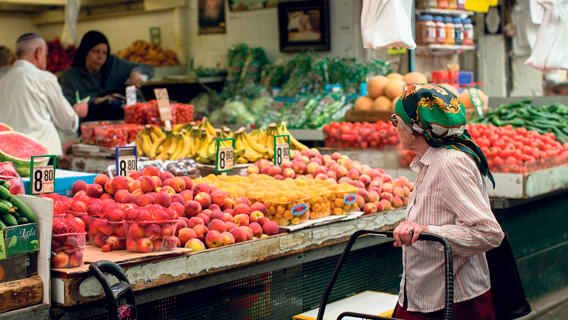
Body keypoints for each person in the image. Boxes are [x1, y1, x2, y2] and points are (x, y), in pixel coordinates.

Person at [390, 84, 504, 320]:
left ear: (414, 127)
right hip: (425, 295)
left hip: (453, 304)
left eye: (396, 119)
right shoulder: (430, 161)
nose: (395, 127)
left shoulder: (449, 164)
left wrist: (424, 231)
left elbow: (488, 233)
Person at [0, 33, 87, 157]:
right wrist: (75, 112)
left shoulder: (3, 81)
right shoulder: (44, 79)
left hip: (8, 155)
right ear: (38, 52)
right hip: (41, 157)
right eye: (46, 55)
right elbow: (68, 123)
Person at [61, 30, 154, 122]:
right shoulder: (69, 76)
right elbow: (68, 107)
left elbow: (148, 68)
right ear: (85, 52)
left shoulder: (113, 64)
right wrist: (97, 100)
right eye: (95, 51)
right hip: (87, 124)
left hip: (117, 122)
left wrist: (137, 73)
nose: (100, 57)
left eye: (104, 53)